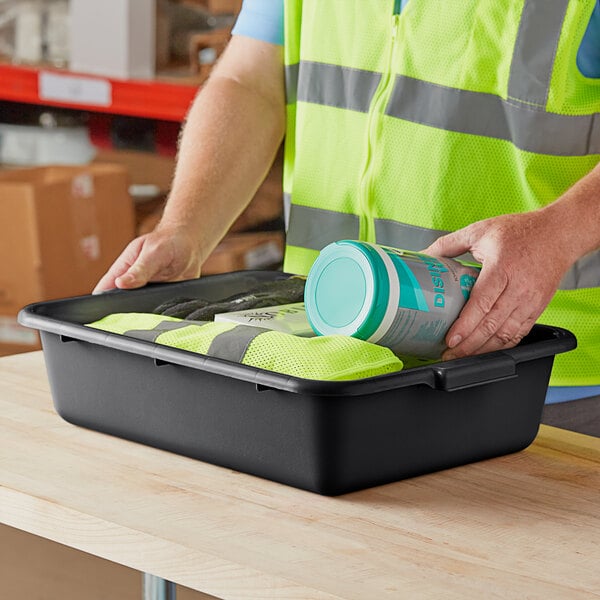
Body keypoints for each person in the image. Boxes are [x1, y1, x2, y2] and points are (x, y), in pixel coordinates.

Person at [94, 0, 600, 403]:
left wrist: (560, 230)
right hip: (325, 359)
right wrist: (188, 226)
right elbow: (248, 83)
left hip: (545, 376)